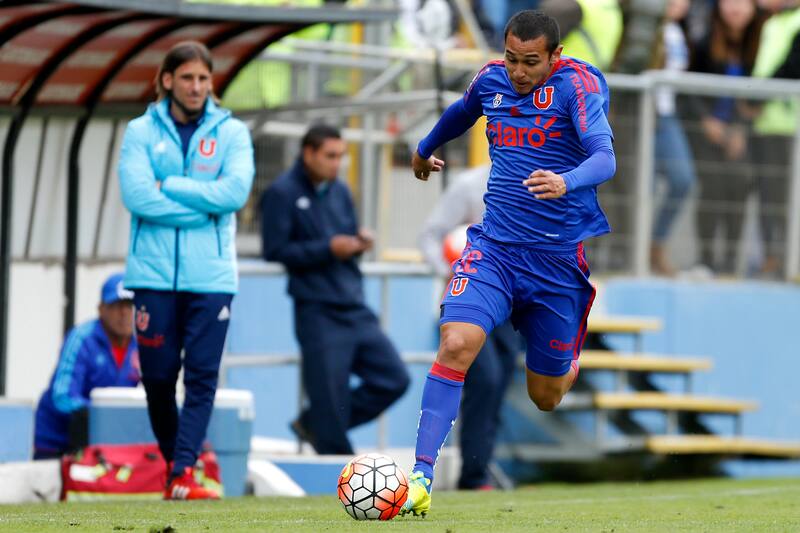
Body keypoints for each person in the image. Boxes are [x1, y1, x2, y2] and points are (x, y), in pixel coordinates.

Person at [402, 10, 616, 516]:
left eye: (531, 62)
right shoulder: (491, 78)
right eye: (512, 59)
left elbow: (605, 158)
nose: (519, 72)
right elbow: (463, 109)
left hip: (556, 261)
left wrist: (566, 181)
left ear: (554, 56)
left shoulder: (577, 87)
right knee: (457, 342)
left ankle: (568, 360)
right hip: (493, 249)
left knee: (546, 395)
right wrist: (425, 147)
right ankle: (421, 477)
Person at [118, 41, 255, 500]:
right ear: (167, 80)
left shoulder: (232, 133)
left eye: (203, 79)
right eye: (188, 78)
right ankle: (184, 462)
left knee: (200, 377)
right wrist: (202, 205)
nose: (196, 87)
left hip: (212, 278)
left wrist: (170, 187)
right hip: (152, 277)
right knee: (157, 380)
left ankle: (181, 472)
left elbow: (233, 194)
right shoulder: (139, 131)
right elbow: (137, 197)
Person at [260, 124, 410, 456]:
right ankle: (340, 466)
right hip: (317, 310)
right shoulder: (282, 193)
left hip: (353, 305)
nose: (337, 163)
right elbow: (275, 250)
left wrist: (358, 242)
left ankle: (315, 423)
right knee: (329, 399)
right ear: (308, 153)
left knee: (394, 379)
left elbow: (344, 237)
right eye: (330, 156)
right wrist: (328, 248)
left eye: (341, 156)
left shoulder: (340, 190)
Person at [418, 165, 519, 490]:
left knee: (499, 383)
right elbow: (430, 235)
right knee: (485, 379)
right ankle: (473, 477)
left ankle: (479, 469)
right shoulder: (469, 185)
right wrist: (449, 272)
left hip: (510, 301)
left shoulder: (536, 178)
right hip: (469, 299)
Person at [688, 0, 764, 275]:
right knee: (713, 186)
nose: (736, 8)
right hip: (706, 129)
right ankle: (706, 258)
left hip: (738, 131)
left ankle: (731, 259)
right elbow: (688, 86)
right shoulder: (706, 40)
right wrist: (707, 120)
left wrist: (740, 128)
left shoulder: (759, 44)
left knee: (740, 184)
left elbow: (758, 92)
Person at [33, 273, 138, 459]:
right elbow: (62, 396)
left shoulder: (142, 344)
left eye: (129, 306)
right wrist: (103, 416)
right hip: (57, 442)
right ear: (101, 309)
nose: (124, 313)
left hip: (108, 445)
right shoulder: (82, 337)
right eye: (116, 305)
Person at [650, 0, 697, 276]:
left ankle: (655, 244)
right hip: (643, 115)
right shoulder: (648, 27)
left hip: (667, 116)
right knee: (642, 186)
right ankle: (631, 251)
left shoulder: (678, 31)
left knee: (682, 180)